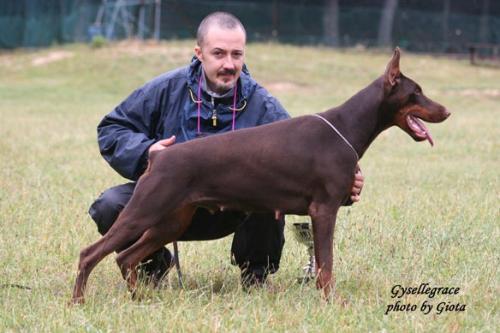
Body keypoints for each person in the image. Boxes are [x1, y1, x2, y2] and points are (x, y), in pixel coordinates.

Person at [88, 12, 364, 288]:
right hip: (168, 201)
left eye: (237, 54)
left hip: (233, 210)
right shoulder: (165, 89)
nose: (229, 64)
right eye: (218, 54)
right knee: (110, 206)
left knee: (270, 191)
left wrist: (343, 186)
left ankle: (255, 273)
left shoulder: (263, 105)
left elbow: (303, 165)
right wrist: (147, 151)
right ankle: (152, 263)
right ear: (199, 53)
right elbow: (112, 129)